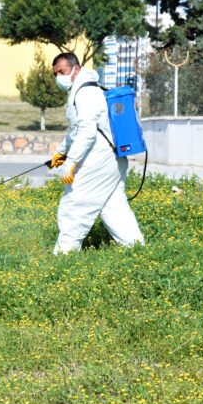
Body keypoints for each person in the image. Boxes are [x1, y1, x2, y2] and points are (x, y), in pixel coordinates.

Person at [50, 52, 144, 255]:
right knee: (113, 206)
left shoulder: (85, 93)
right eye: (56, 74)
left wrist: (71, 161)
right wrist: (60, 152)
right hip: (111, 159)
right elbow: (76, 130)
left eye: (62, 71)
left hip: (98, 160)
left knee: (76, 203)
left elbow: (86, 132)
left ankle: (64, 254)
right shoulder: (83, 90)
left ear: (76, 68)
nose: (59, 77)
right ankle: (136, 248)